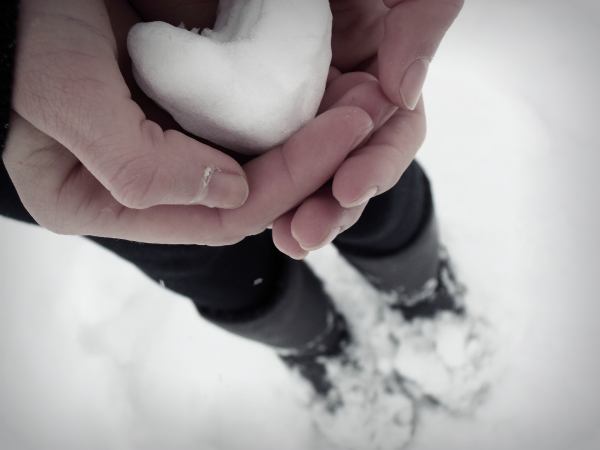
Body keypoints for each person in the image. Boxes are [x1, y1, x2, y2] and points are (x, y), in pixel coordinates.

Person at [0, 0, 464, 396]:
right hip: (40, 120)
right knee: (193, 247)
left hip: (328, 83)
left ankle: (422, 292)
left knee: (361, 174)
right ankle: (321, 348)